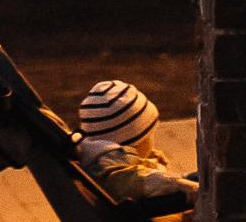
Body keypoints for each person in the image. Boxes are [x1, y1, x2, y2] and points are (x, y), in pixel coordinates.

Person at [74, 76, 194, 212]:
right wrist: (175, 184)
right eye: (150, 133)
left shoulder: (97, 159)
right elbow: (125, 182)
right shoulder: (111, 168)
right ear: (137, 139)